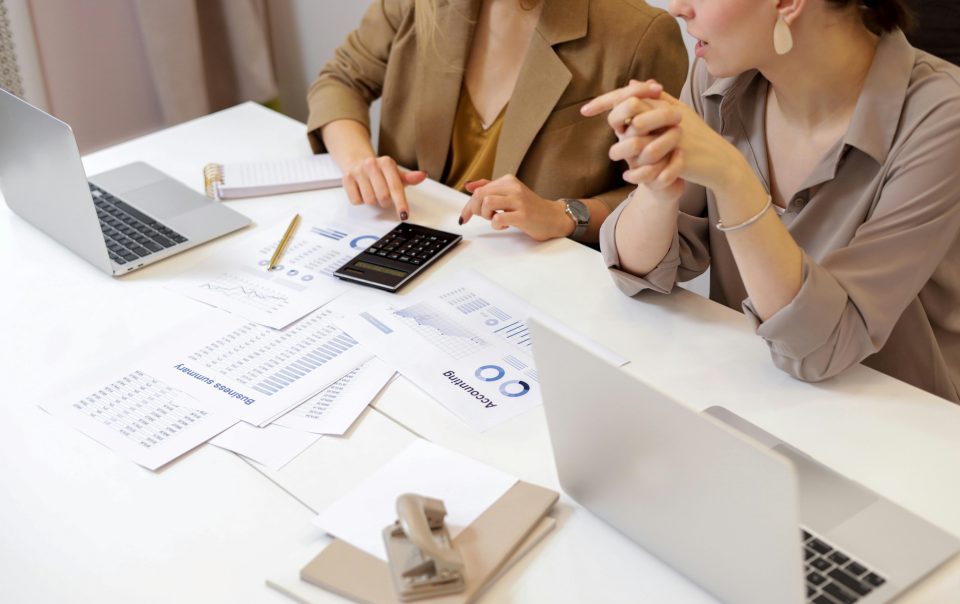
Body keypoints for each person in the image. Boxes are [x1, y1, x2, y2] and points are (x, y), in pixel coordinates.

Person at [582, 0, 960, 402]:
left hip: (902, 426)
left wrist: (733, 179)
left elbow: (823, 349)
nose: (677, 8)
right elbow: (637, 272)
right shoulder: (717, 76)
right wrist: (657, 188)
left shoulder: (941, 119)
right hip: (754, 398)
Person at [306, 0, 687, 243]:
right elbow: (341, 80)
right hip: (402, 244)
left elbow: (670, 194)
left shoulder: (638, 34)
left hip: (537, 284)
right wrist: (360, 162)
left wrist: (564, 215)